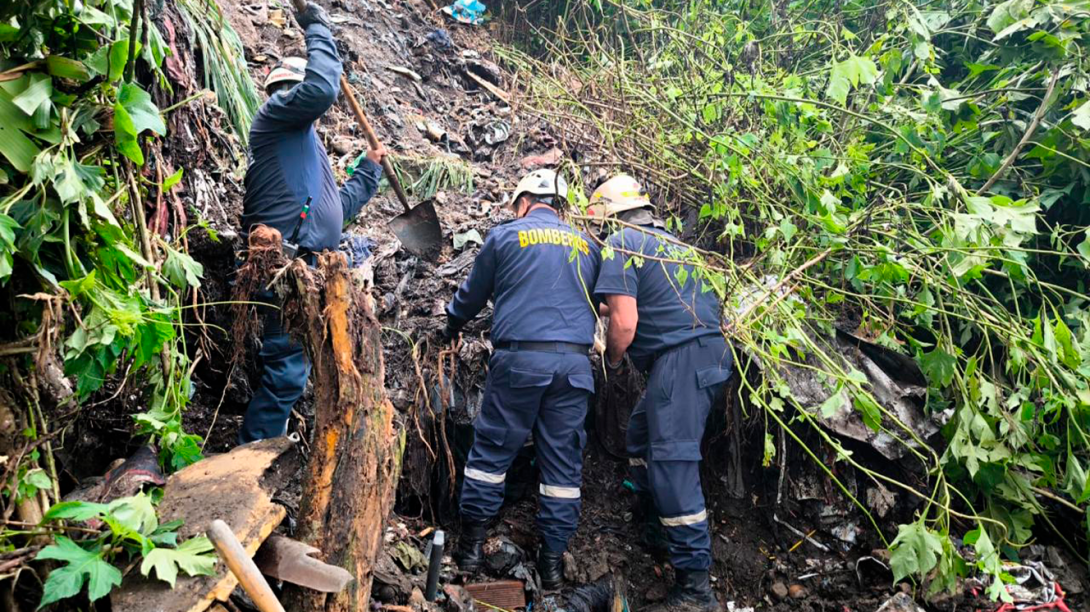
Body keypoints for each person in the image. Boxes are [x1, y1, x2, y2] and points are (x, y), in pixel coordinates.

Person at [238, 1, 386, 444]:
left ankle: (272, 444)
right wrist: (318, 28)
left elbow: (332, 211)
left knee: (294, 372)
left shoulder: (302, 144)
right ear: (288, 90)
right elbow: (322, 88)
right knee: (285, 370)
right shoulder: (277, 119)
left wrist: (368, 171)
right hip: (284, 265)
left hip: (311, 266)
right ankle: (252, 456)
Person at [444, 169, 600, 590]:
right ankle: (551, 566)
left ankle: (471, 549)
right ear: (561, 207)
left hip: (520, 360)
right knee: (563, 465)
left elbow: (472, 296)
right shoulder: (588, 245)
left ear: (524, 202)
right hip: (573, 366)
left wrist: (450, 324)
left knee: (493, 450)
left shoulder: (505, 236)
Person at [591, 175, 731, 612]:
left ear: (605, 218)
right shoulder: (678, 246)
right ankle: (655, 521)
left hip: (679, 360)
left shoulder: (622, 243)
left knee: (672, 463)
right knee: (641, 432)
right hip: (712, 352)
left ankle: (695, 588)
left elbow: (625, 324)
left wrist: (612, 362)